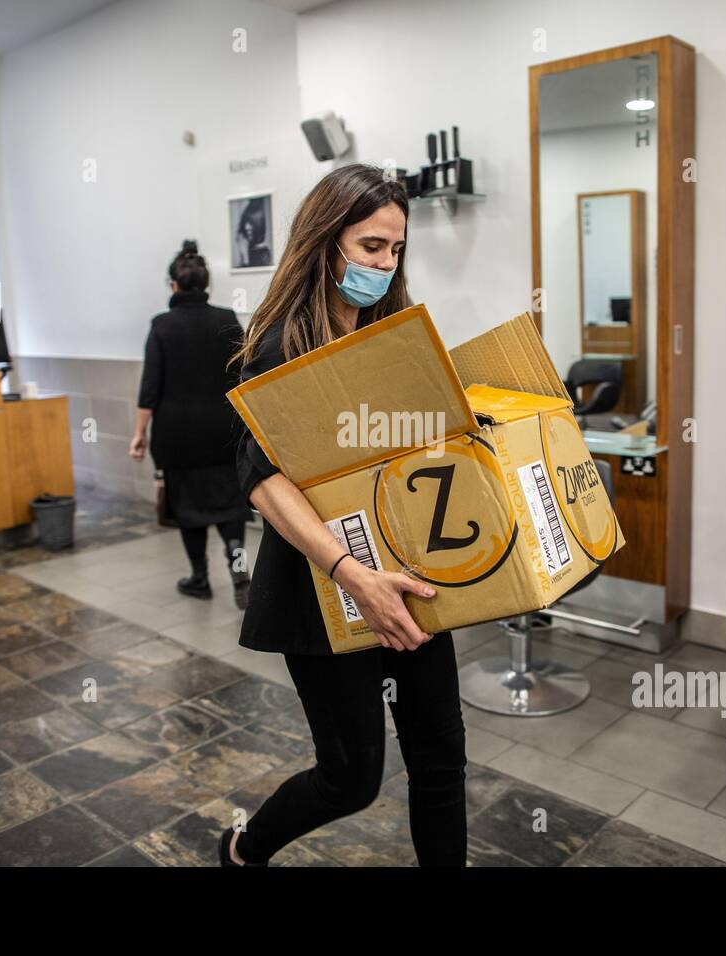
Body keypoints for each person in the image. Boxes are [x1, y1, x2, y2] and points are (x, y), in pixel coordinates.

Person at [219, 164, 467, 868]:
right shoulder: (275, 348)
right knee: (351, 779)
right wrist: (354, 574)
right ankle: (245, 848)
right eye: (370, 248)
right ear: (325, 244)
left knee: (441, 760)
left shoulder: (391, 336)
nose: (385, 265)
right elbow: (262, 482)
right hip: (322, 589)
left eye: (395, 250)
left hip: (406, 574)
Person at [130, 240, 252, 608]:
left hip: (177, 435)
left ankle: (199, 578)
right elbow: (244, 376)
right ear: (206, 285)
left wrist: (138, 434)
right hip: (225, 431)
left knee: (189, 508)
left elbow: (150, 386)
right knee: (230, 504)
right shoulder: (227, 319)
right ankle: (238, 570)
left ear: (174, 285)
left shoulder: (162, 326)